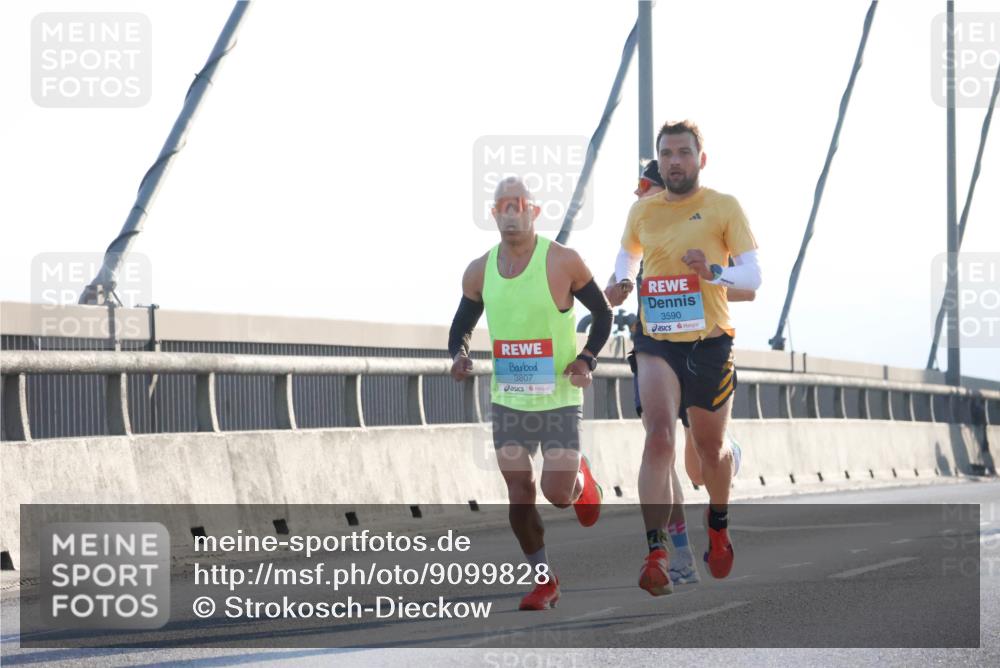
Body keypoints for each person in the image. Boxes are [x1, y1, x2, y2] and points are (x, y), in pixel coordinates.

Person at [606, 121, 761, 595]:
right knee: (658, 438)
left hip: (709, 343)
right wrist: (619, 283)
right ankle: (657, 552)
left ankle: (717, 522)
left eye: (683, 152)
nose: (675, 160)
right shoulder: (643, 211)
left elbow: (752, 278)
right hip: (656, 340)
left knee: (707, 455)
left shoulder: (723, 207)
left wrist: (713, 270)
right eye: (667, 153)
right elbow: (626, 256)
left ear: (700, 158)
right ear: (660, 159)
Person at [449, 176, 614, 610]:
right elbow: (461, 326)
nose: (510, 212)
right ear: (494, 214)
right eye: (502, 206)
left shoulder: (562, 261)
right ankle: (544, 580)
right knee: (519, 491)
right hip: (509, 401)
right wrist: (460, 355)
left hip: (559, 398)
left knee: (557, 494)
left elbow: (602, 313)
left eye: (518, 204)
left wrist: (587, 359)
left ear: (534, 211)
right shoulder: (479, 270)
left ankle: (582, 480)